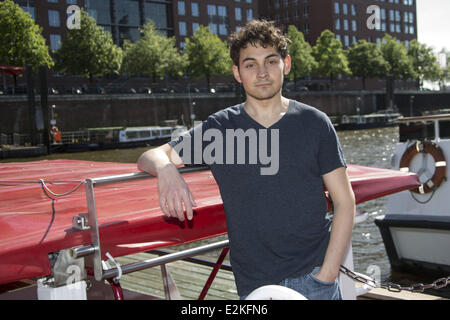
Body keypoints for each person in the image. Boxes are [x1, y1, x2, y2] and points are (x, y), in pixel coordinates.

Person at [137, 19, 355, 300]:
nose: (262, 72)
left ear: (285, 65)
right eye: (250, 64)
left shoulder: (315, 123)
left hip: (314, 280)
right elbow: (150, 155)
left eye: (271, 61)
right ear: (237, 73)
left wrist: (326, 276)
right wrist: (167, 170)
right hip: (255, 287)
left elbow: (344, 201)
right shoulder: (220, 129)